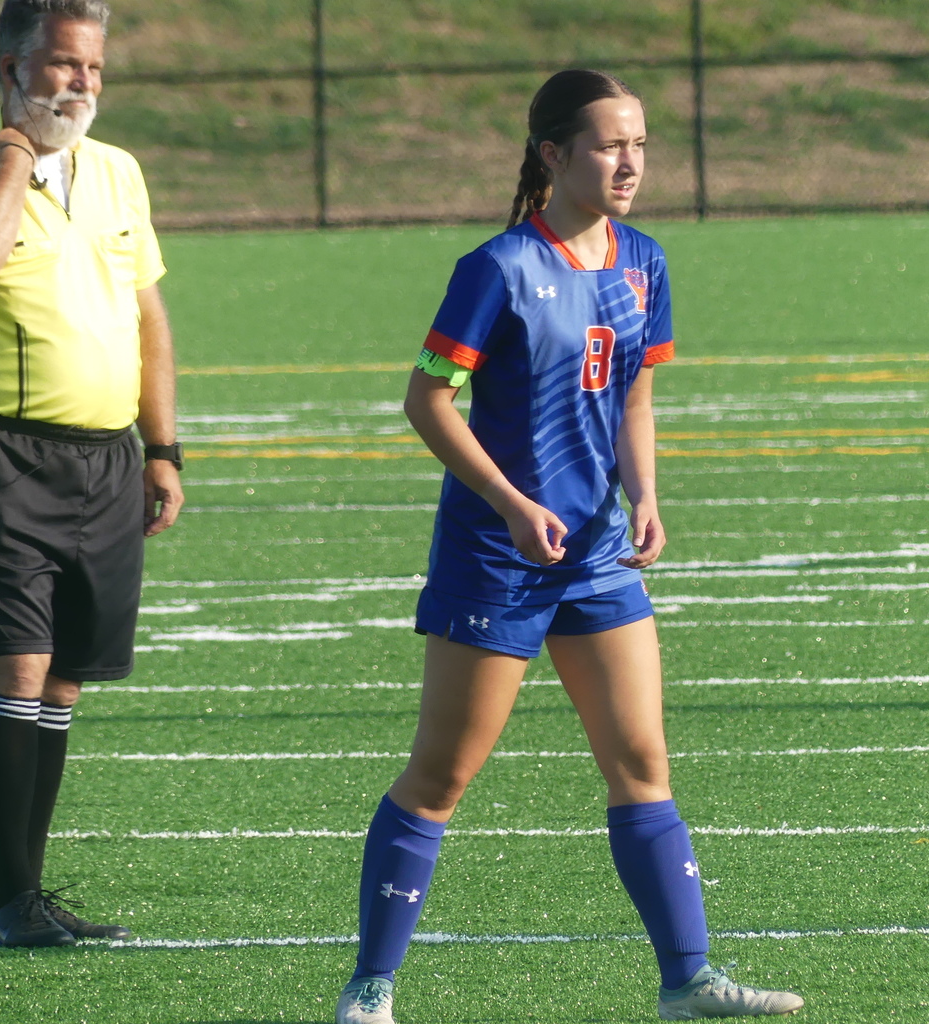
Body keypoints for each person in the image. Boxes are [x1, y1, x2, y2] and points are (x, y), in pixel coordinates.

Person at [335, 69, 803, 1022]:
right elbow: (426, 400)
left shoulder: (644, 261)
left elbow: (633, 390)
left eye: (639, 144)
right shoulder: (496, 269)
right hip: (498, 555)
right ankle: (370, 990)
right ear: (554, 155)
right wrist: (508, 501)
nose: (629, 162)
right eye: (607, 145)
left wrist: (646, 492)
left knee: (642, 761)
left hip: (594, 555)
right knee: (442, 773)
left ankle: (688, 982)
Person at [0, 0, 183, 948]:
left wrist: (163, 447)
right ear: (11, 66)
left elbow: (147, 315)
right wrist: (14, 158)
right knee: (16, 669)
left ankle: (22, 892)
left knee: (65, 679)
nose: (82, 85)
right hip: (6, 456)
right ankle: (5, 897)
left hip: (108, 463)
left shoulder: (119, 173)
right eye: (64, 65)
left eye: (95, 69)